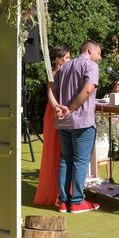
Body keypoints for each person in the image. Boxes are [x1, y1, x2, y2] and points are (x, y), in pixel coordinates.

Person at [53, 40, 102, 214]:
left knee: (66, 159)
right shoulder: (91, 65)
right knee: (80, 161)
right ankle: (77, 201)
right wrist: (70, 109)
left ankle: (64, 201)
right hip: (81, 120)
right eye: (99, 53)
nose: (100, 57)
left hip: (64, 122)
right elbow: (88, 89)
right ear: (90, 50)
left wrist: (61, 109)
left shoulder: (64, 67)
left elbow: (54, 89)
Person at [33, 45, 71, 206]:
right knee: (53, 150)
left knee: (64, 150)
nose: (69, 60)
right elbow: (49, 92)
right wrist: (57, 108)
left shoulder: (69, 72)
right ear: (58, 59)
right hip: (54, 111)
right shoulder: (53, 73)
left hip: (64, 109)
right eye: (67, 57)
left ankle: (63, 191)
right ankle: (52, 192)